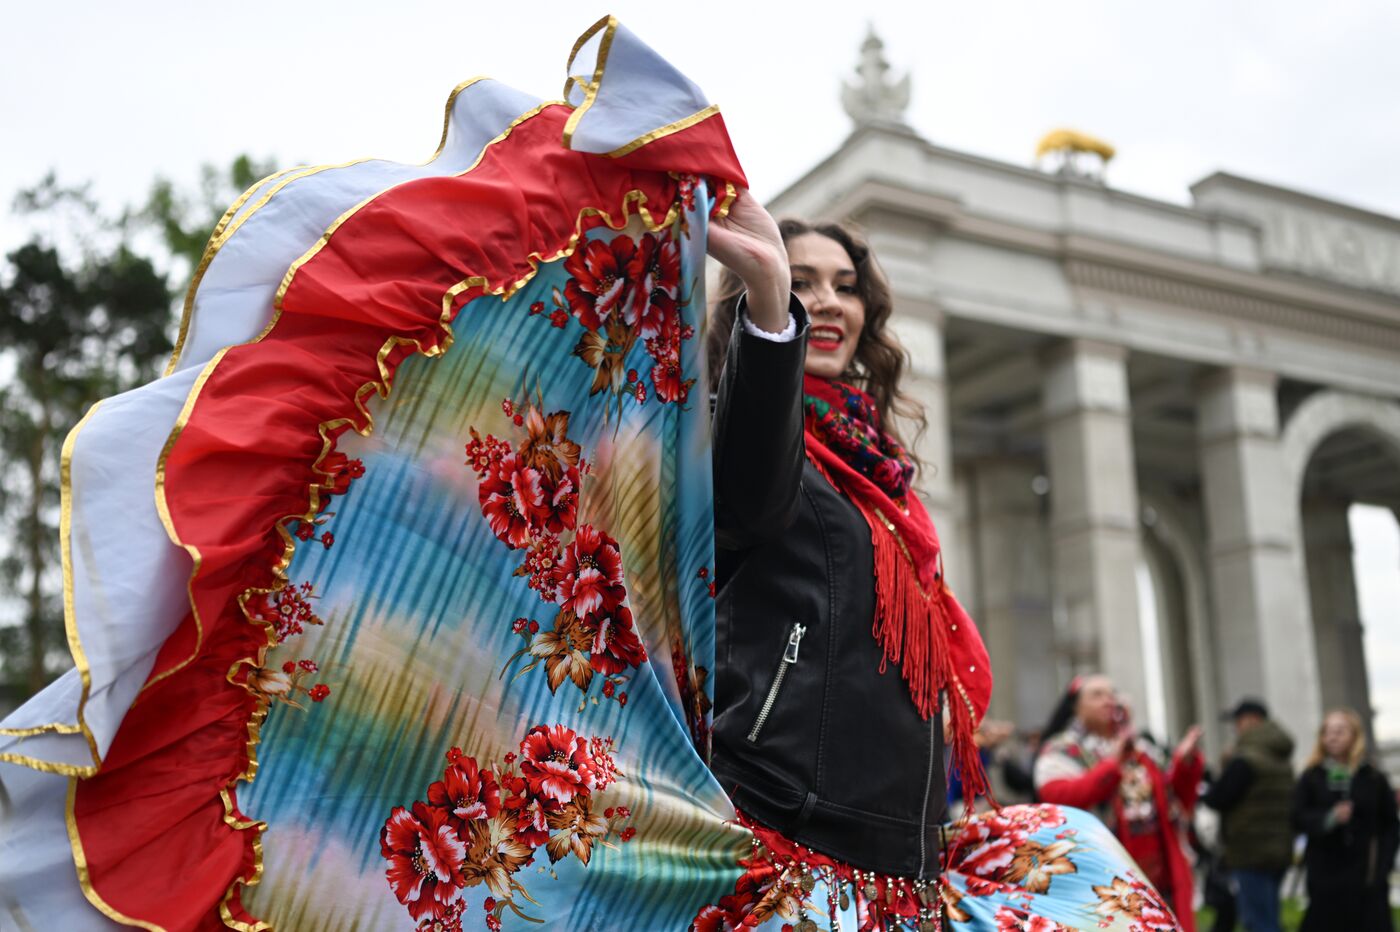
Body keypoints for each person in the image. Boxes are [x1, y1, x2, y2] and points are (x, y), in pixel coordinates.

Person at [694, 210, 1189, 930]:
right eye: (805, 282)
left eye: (845, 285)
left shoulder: (882, 476)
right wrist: (773, 304)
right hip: (792, 835)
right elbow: (749, 497)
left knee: (1103, 879)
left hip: (906, 853)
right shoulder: (735, 434)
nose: (829, 301)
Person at [1033, 674, 1205, 931]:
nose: (1108, 701)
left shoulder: (1141, 748)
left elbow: (1175, 799)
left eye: (1111, 694)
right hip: (1101, 876)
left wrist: (1185, 763)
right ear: (1075, 707)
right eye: (1097, 695)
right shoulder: (1059, 751)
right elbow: (1060, 799)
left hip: (1158, 875)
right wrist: (1111, 765)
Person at [1294, 708, 1398, 931]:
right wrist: (1329, 818)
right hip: (1326, 876)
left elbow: (1390, 823)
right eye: (1328, 732)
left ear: (1354, 735)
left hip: (1366, 876)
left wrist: (1383, 865)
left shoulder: (1372, 776)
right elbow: (1297, 817)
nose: (1333, 737)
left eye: (1340, 731)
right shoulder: (1312, 776)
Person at [1201, 698, 1296, 932]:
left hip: (1250, 852)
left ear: (1252, 720)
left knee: (1257, 921)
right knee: (1270, 915)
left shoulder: (1247, 759)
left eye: (1238, 721)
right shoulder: (1279, 756)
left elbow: (1218, 798)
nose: (1235, 727)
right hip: (1278, 848)